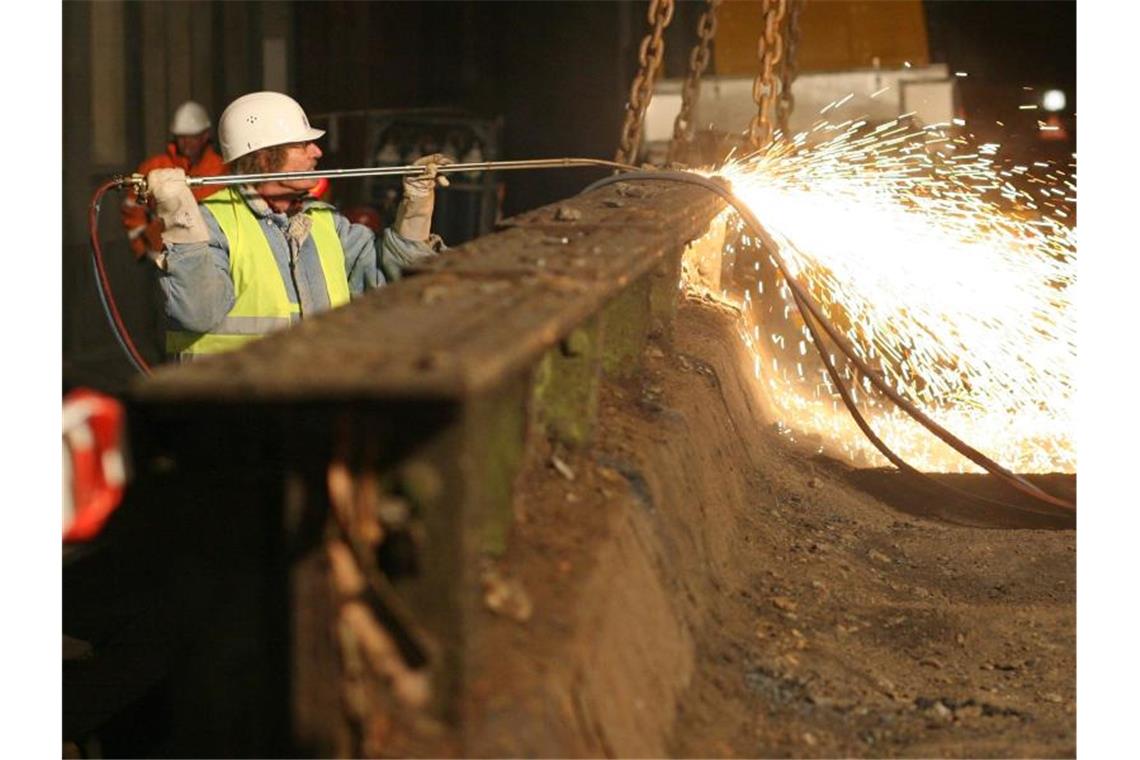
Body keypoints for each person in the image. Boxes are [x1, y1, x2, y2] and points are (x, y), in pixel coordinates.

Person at [146, 91, 449, 361]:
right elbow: (197, 314)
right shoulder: (213, 225)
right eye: (303, 145)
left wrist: (415, 211)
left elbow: (394, 282)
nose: (317, 152)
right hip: (239, 408)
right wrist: (181, 222)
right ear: (264, 158)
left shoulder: (326, 223)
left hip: (316, 399)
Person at [120, 101, 227, 264]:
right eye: (181, 137)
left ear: (205, 135)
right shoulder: (154, 167)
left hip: (210, 255)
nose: (186, 143)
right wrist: (143, 247)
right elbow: (132, 208)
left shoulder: (221, 170)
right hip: (161, 256)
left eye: (192, 137)